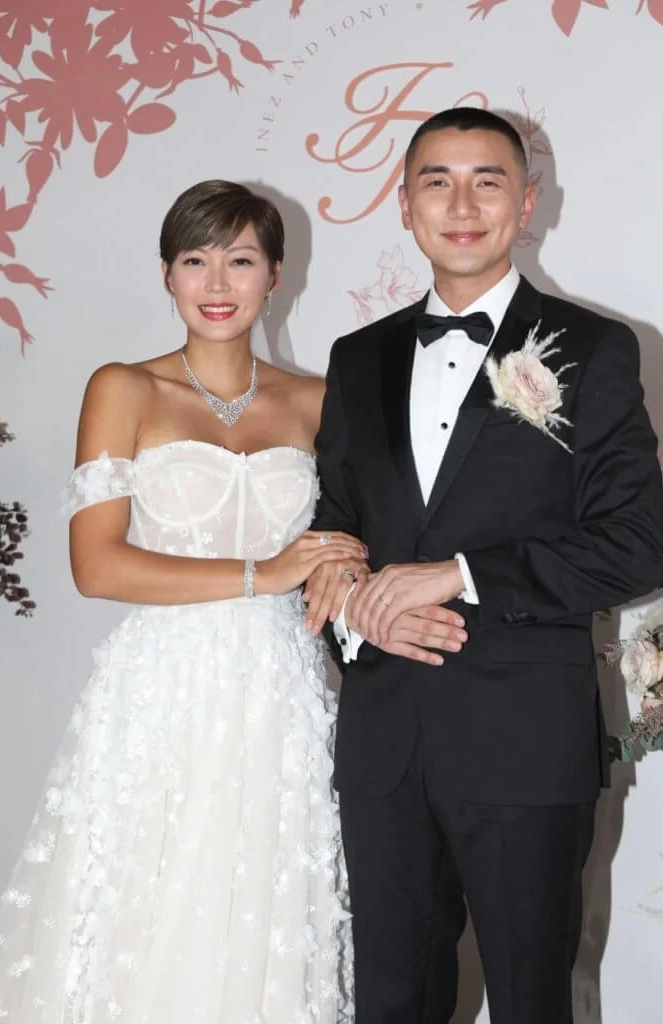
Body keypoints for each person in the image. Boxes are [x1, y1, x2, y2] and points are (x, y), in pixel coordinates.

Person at [305, 108, 663, 1023]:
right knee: (389, 1003)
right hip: (384, 741)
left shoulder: (595, 349)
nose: (461, 205)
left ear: (527, 204)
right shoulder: (356, 359)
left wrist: (459, 574)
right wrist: (360, 612)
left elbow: (638, 540)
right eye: (437, 181)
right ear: (405, 205)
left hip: (523, 742)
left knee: (530, 1004)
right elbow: (333, 530)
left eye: (487, 181)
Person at [0, 180, 369, 1023]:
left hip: (281, 695)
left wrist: (339, 572)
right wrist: (264, 573)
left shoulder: (318, 402)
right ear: (167, 274)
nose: (217, 283)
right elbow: (97, 566)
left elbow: (345, 544)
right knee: (144, 910)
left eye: (241, 260)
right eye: (196, 260)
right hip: (160, 688)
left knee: (261, 911)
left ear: (276, 274)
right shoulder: (125, 389)